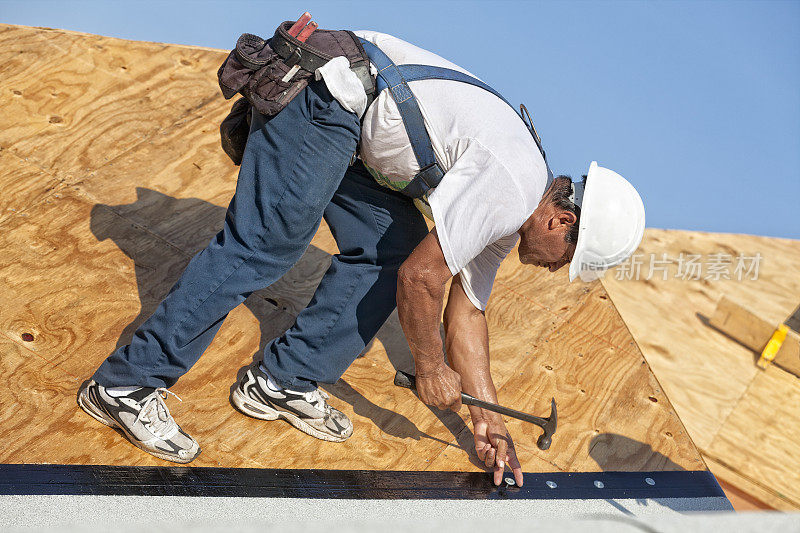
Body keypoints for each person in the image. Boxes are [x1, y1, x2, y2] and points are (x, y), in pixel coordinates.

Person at [78, 29, 644, 486]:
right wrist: (428, 365)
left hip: (354, 128)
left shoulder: (513, 204)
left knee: (390, 250)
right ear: (562, 220)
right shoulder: (510, 184)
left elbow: (467, 314)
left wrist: (488, 426)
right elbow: (425, 281)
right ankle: (125, 385)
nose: (549, 269)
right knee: (265, 245)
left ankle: (282, 381)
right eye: (561, 259)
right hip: (327, 97)